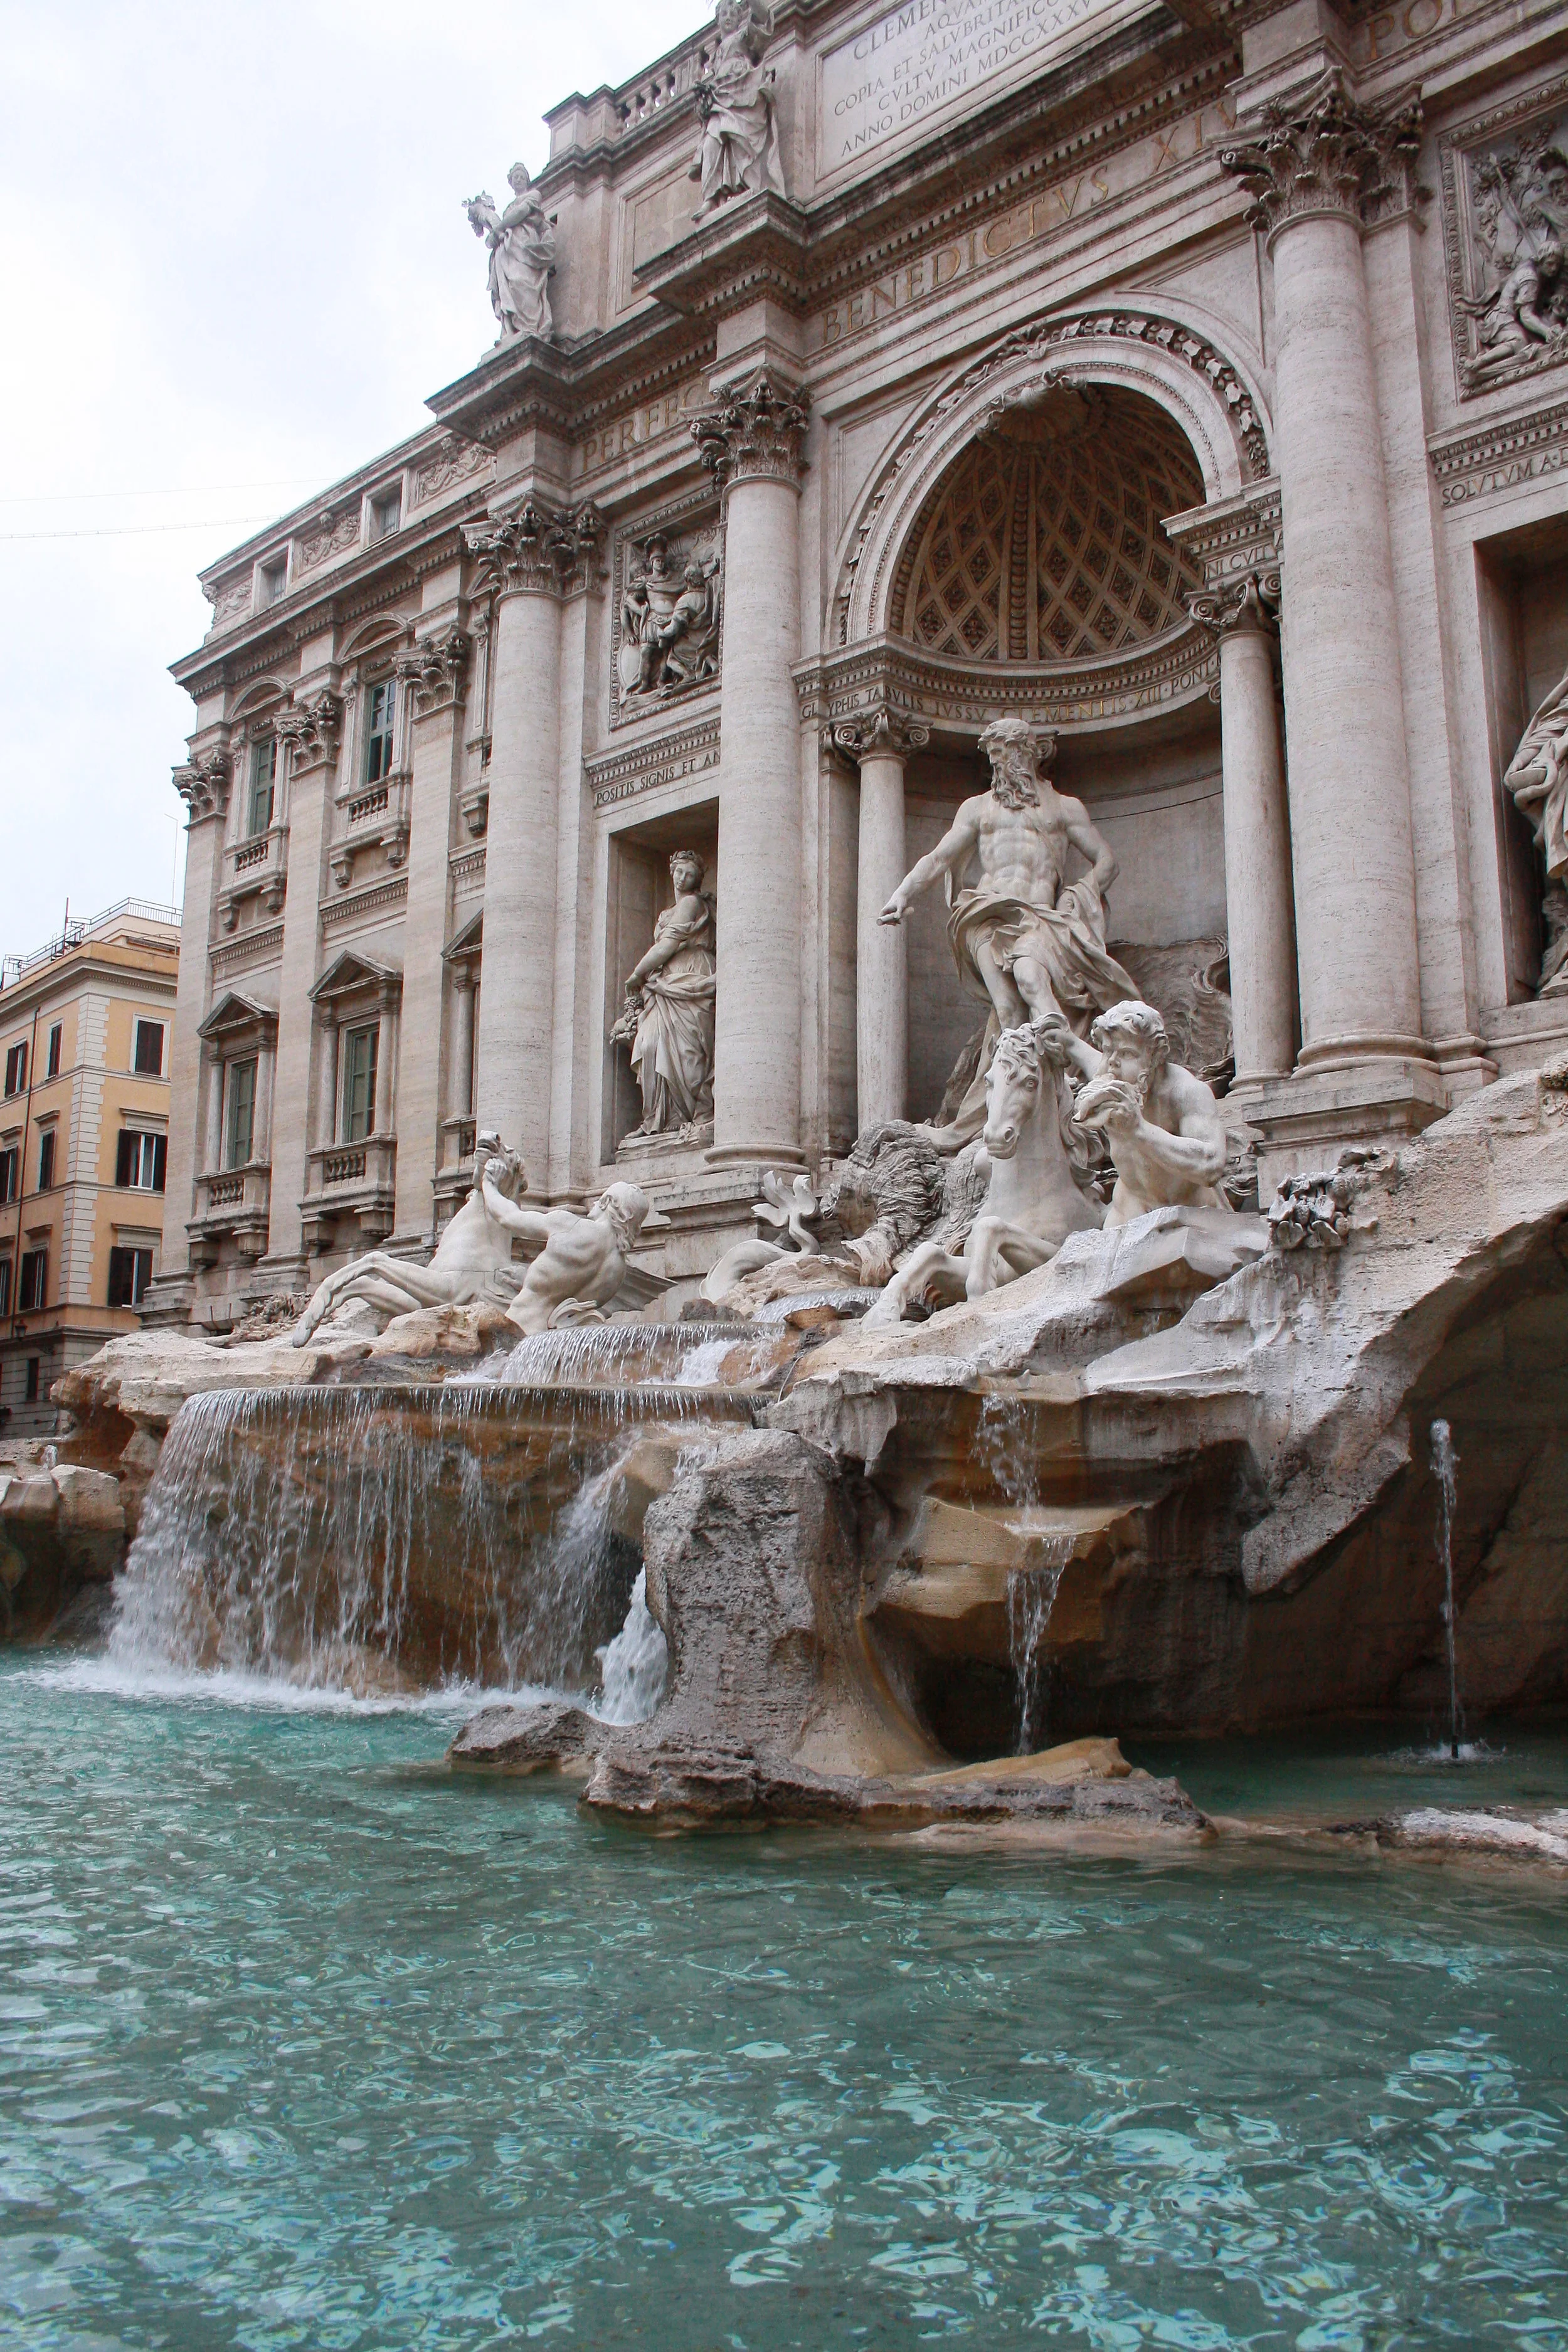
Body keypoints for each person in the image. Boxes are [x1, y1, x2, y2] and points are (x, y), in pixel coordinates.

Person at [879, 716, 1134, 1034]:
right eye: (992, 755)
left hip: (1039, 918)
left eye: (1002, 753)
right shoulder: (976, 809)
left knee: (1031, 980)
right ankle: (1015, 1080)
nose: (996, 764)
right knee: (1008, 1011)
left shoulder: (1064, 808)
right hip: (986, 915)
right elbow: (938, 858)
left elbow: (1107, 861)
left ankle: (1066, 1070)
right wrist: (902, 894)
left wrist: (1077, 893)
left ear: (1027, 752)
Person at [292, 1135, 527, 1344]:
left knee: (375, 1260)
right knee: (363, 1286)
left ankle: (330, 1286)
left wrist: (496, 1173)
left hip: (458, 1286)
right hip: (442, 1288)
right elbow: (480, 1172)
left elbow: (499, 1188)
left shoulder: (502, 1203)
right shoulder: (480, 1198)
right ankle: (348, 1290)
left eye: (507, 1154)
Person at [1067, 1001, 1227, 1228]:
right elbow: (1083, 1053)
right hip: (1125, 1216)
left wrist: (1138, 1129)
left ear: (1156, 1057)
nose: (1113, 1063)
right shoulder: (1114, 1078)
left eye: (1127, 1053)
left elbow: (1210, 1166)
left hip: (1189, 1219)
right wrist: (1064, 1038)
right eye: (1108, 1051)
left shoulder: (1186, 1092)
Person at [610, 851, 717, 1136]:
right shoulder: (666, 912)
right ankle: (660, 1119)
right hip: (664, 984)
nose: (683, 879)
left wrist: (637, 973)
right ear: (671, 871)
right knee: (649, 1044)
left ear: (697, 880)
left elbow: (667, 946)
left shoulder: (692, 903)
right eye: (679, 872)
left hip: (690, 974)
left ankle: (689, 1113)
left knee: (688, 1052)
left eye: (690, 874)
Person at [479, 1172, 652, 1335]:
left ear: (607, 1202)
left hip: (521, 1329)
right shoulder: (618, 1271)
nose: (594, 1204)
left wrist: (488, 1184)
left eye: (599, 1200)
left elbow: (508, 1217)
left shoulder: (572, 1227)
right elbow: (563, 1296)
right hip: (555, 1346)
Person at [689, 0, 785, 222]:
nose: (729, 17)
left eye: (734, 12)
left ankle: (747, 184)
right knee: (712, 144)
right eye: (724, 13)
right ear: (718, 18)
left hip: (742, 97)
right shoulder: (717, 55)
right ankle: (711, 198)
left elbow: (763, 17)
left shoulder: (743, 37)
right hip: (719, 101)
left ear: (741, 16)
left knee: (739, 138)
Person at [465, 164, 556, 342]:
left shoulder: (533, 195)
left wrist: (499, 227)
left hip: (525, 244)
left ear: (527, 180)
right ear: (511, 183)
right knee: (510, 286)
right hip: (507, 249)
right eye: (515, 177)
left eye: (522, 176)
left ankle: (530, 327)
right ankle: (512, 330)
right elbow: (499, 227)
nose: (519, 179)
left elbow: (522, 212)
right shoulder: (507, 209)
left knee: (522, 282)